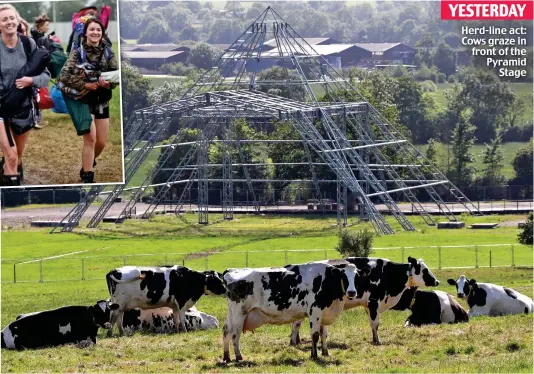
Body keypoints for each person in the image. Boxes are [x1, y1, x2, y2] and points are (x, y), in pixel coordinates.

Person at [58, 18, 117, 184]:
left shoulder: (109, 53)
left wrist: (109, 83)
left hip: (102, 100)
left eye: (98, 30)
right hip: (83, 99)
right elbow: (64, 76)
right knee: (90, 139)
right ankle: (88, 176)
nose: (95, 32)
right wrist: (85, 84)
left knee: (101, 142)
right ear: (85, 33)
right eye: (91, 29)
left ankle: (88, 163)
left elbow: (116, 76)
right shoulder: (77, 52)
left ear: (102, 33)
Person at [0, 4, 50, 186]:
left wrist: (31, 81)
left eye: (11, 18)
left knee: (16, 158)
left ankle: (6, 176)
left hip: (23, 109)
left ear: (17, 20)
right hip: (1, 111)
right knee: (12, 156)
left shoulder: (29, 44)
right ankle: (9, 205)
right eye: (4, 19)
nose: (9, 22)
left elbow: (46, 76)